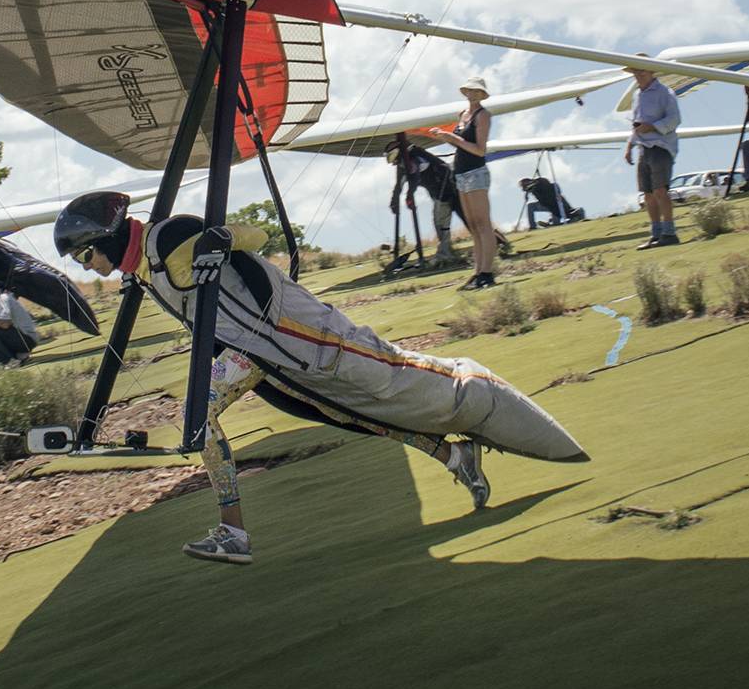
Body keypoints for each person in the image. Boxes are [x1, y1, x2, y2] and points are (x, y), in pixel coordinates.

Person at [54, 192, 588, 566]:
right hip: (260, 352)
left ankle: (233, 531)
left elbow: (253, 237)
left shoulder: (170, 236)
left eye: (85, 254)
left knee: (378, 388)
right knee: (329, 412)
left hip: (298, 332)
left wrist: (222, 239)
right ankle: (451, 456)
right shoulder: (146, 270)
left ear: (105, 237)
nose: (87, 266)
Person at [428, 75, 498, 289]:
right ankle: (478, 273)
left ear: (482, 94)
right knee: (474, 226)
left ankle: (487, 273)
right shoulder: (462, 115)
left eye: (477, 91)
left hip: (475, 172)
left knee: (483, 224)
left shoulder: (483, 115)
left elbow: (479, 149)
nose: (472, 93)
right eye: (470, 90)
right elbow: (461, 145)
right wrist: (445, 137)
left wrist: (452, 138)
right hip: (460, 173)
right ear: (465, 92)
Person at [624, 61, 682, 248]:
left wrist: (653, 127)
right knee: (648, 194)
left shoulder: (665, 93)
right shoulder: (636, 96)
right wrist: (629, 145)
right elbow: (636, 123)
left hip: (661, 146)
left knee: (660, 191)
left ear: (650, 71)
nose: (638, 74)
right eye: (635, 71)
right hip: (643, 147)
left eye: (641, 70)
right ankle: (656, 233)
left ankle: (669, 232)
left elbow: (674, 119)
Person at [387, 134, 463, 263]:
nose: (395, 163)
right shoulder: (404, 163)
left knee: (444, 222)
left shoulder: (414, 156)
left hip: (448, 188)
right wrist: (394, 201)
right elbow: (399, 184)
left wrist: (410, 194)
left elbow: (415, 175)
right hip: (438, 193)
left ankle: (445, 255)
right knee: (440, 222)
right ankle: (447, 252)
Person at [0, 278, 41, 365]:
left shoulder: (3, 298)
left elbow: (6, 324)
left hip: (27, 339)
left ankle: (10, 362)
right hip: (19, 338)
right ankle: (19, 356)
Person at [518, 175, 582, 229]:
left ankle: (555, 222)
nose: (524, 188)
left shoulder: (540, 181)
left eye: (524, 186)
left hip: (555, 205)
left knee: (556, 219)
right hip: (546, 205)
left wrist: (532, 185)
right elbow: (527, 189)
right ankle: (533, 227)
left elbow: (549, 184)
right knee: (530, 206)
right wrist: (526, 194)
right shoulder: (531, 189)